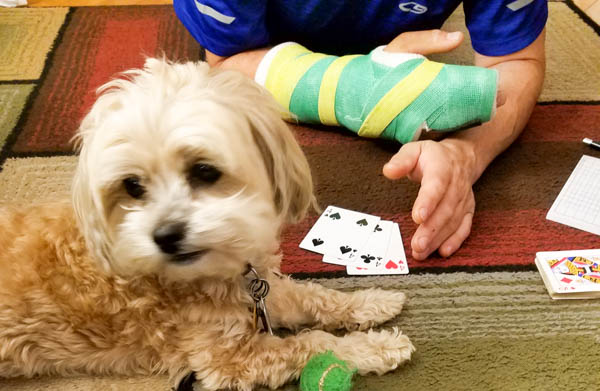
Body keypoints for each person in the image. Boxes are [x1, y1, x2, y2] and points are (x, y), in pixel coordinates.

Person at [173, 0, 547, 260]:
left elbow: (514, 61)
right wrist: (362, 89)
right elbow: (226, 64)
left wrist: (465, 153)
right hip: (263, 44)